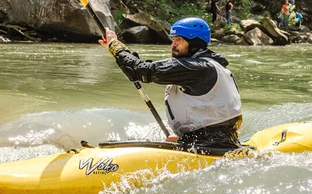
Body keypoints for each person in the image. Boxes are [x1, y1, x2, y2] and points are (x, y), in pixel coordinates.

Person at [99, 17, 243, 148]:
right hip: (215, 140)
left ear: (195, 43)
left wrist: (114, 45)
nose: (173, 44)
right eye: (173, 39)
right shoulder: (208, 65)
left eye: (179, 39)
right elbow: (137, 69)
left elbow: (139, 70)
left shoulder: (196, 68)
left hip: (209, 144)